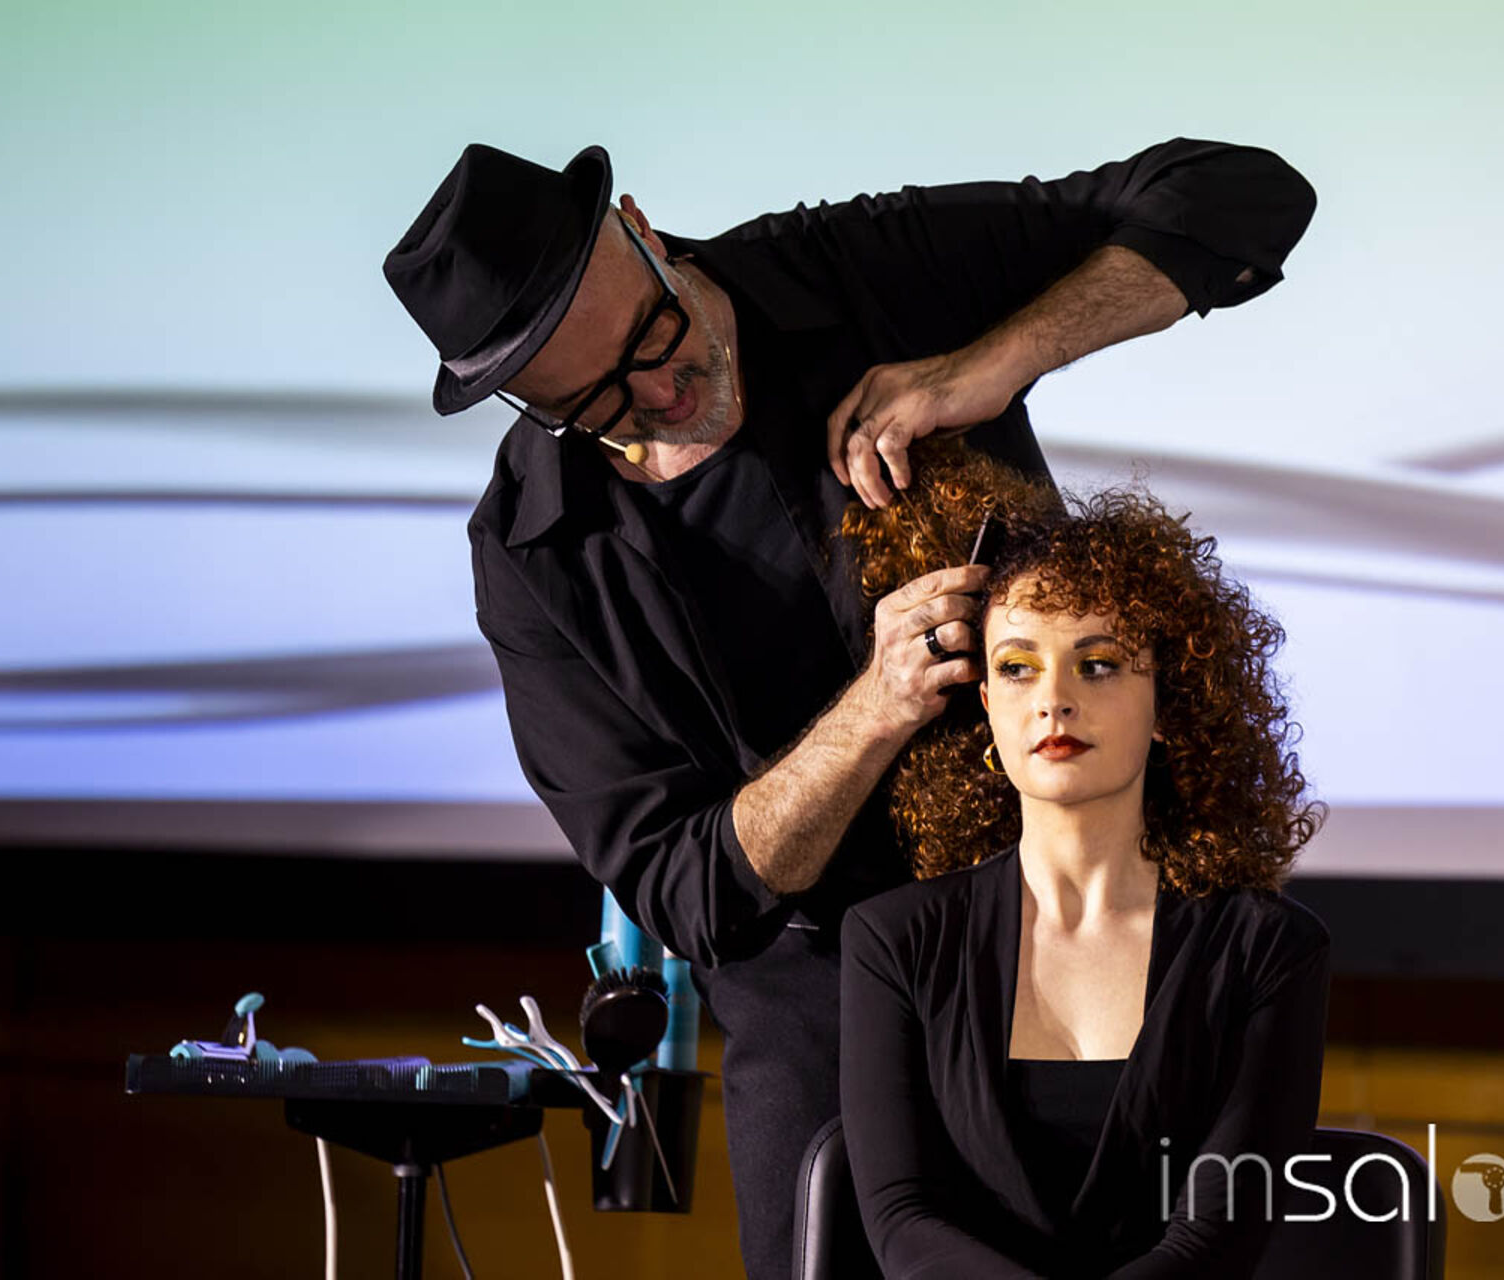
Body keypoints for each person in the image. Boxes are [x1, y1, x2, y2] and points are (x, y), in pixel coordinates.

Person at [381, 138, 1317, 1279]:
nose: (661, 397)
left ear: (639, 227)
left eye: (655, 338)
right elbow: (687, 890)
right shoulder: (535, 558)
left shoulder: (853, 270)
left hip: (1085, 920)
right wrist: (873, 709)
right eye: (598, 405)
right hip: (814, 998)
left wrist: (989, 365)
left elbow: (1238, 197)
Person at [838, 456, 1331, 1279]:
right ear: (987, 705)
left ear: (1167, 702)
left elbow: (1217, 1240)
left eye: (1097, 664)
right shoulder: (894, 941)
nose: (1053, 699)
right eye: (1017, 667)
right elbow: (902, 1222)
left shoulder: (1268, 950)